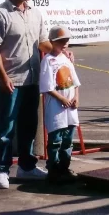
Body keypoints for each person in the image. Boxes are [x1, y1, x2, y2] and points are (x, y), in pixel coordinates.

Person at [0, 0, 73, 189]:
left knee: (28, 126)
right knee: (6, 127)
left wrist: (60, 52)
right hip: (9, 81)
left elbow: (42, 42)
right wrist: (3, 77)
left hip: (32, 80)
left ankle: (26, 166)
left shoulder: (36, 13)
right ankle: (1, 170)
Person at [39, 25, 80, 183]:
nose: (64, 43)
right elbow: (47, 87)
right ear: (51, 42)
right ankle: (53, 169)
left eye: (66, 40)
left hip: (70, 109)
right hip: (56, 108)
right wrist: (61, 99)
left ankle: (64, 166)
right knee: (55, 139)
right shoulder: (48, 61)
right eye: (60, 41)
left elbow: (75, 82)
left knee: (68, 139)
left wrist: (76, 97)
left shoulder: (67, 59)